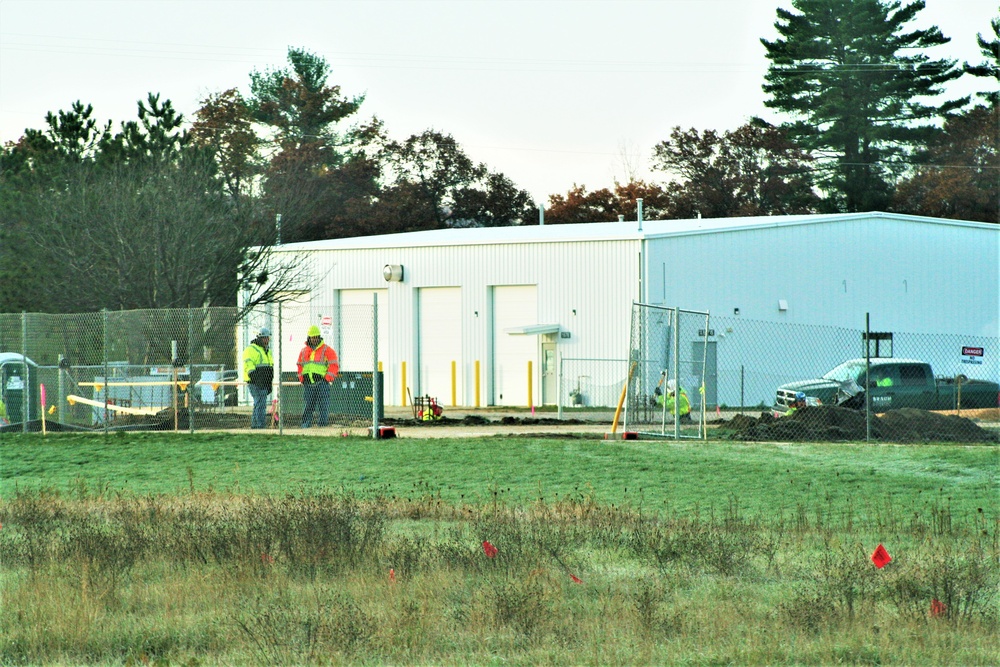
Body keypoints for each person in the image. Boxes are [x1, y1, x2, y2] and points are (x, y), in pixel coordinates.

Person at [297, 325, 340, 428]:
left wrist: (327, 379)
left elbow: (334, 365)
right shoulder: (304, 351)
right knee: (308, 407)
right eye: (313, 337)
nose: (315, 339)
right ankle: (306, 426)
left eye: (316, 337)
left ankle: (322, 426)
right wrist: (302, 378)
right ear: (309, 338)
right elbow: (299, 365)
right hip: (308, 384)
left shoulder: (327, 350)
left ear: (319, 337)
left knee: (323, 407)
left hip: (322, 383)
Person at [242, 327, 274, 429]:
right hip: (254, 381)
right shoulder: (251, 349)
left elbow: (270, 367)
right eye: (264, 338)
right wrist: (256, 380)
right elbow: (249, 366)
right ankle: (260, 426)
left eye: (267, 338)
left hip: (264, 382)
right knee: (260, 404)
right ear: (259, 338)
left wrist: (268, 383)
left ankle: (256, 425)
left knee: (259, 403)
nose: (266, 340)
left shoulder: (267, 351)